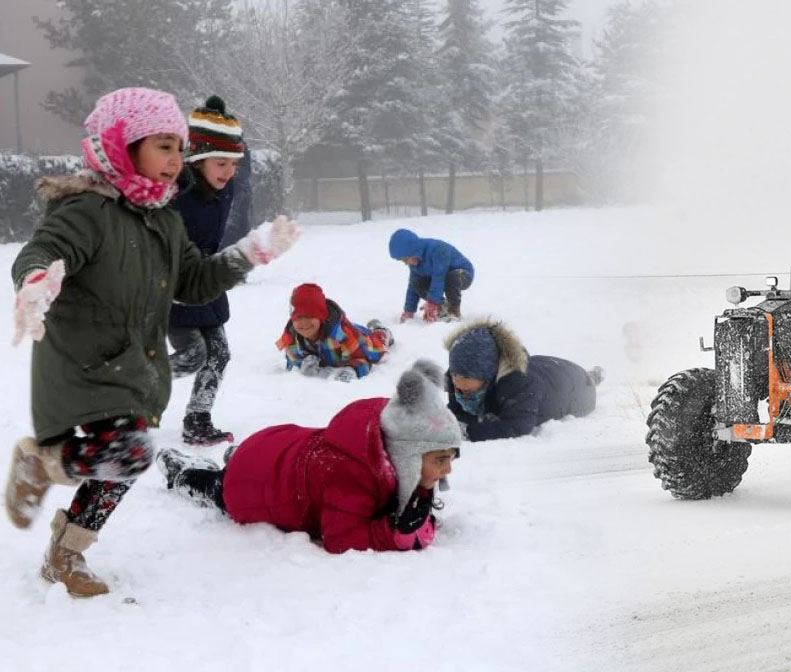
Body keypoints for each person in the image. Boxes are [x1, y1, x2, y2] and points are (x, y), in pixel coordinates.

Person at [3, 87, 299, 597]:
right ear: (122, 144)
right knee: (131, 453)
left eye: (180, 148)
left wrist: (248, 253)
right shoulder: (85, 211)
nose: (176, 160)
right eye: (164, 145)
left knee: (123, 465)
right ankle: (40, 464)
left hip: (134, 367)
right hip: (85, 364)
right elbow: (44, 250)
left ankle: (65, 555)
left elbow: (193, 282)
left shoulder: (162, 217)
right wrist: (36, 282)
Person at [156, 361, 461, 554]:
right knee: (220, 487)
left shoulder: (390, 431)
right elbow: (340, 538)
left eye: (450, 458)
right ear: (406, 455)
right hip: (252, 487)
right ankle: (182, 472)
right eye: (439, 460)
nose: (447, 468)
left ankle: (237, 458)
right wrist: (388, 533)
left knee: (252, 464)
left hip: (277, 447)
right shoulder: (352, 473)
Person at [168, 96, 247, 446]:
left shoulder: (224, 187)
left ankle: (197, 418)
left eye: (234, 163)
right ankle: (133, 388)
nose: (228, 171)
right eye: (221, 163)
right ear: (197, 159)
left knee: (219, 352)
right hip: (173, 285)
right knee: (191, 355)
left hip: (208, 279)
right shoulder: (174, 189)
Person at [444, 318, 604, 441]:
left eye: (467, 386)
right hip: (542, 367)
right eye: (456, 377)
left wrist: (467, 432)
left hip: (574, 387)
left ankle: (593, 376)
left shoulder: (520, 385)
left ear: (488, 375)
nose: (459, 386)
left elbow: (516, 426)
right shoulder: (456, 378)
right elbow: (455, 413)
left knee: (585, 381)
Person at [277, 282, 393, 381]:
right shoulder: (292, 336)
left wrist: (351, 370)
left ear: (321, 316)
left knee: (376, 345)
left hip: (358, 340)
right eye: (298, 318)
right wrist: (302, 364)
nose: (303, 323)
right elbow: (291, 360)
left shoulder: (342, 335)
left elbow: (362, 359)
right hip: (345, 338)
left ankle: (380, 330)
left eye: (309, 316)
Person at [387, 228, 474, 323]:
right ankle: (441, 306)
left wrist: (432, 303)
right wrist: (409, 310)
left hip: (462, 274)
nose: (406, 263)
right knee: (417, 282)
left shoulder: (438, 250)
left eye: (405, 259)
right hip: (440, 277)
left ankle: (453, 311)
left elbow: (439, 278)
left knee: (451, 278)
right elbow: (412, 287)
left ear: (413, 251)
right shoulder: (415, 262)